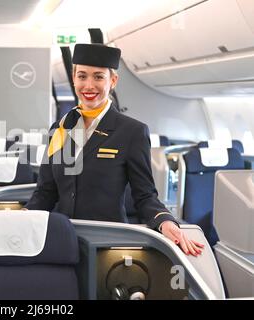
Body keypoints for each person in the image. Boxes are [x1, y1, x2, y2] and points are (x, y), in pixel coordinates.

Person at [25, 43, 204, 256]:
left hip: (108, 243)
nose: (89, 85)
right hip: (62, 240)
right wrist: (21, 219)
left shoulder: (132, 132)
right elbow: (46, 191)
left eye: (98, 77)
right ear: (74, 79)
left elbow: (145, 195)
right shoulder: (60, 129)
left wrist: (165, 222)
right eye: (82, 76)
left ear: (113, 81)